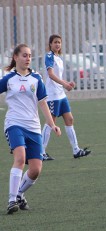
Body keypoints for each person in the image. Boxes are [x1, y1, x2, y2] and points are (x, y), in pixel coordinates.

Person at [1, 44, 62, 214]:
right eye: (24, 55)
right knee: (20, 158)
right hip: (14, 124)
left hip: (33, 127)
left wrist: (52, 124)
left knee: (35, 170)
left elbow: (42, 102)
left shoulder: (36, 78)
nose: (28, 58)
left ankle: (19, 193)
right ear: (15, 57)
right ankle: (11, 200)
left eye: (29, 56)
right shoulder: (8, 79)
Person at [41, 34, 91, 160]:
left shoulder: (59, 58)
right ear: (50, 44)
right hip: (52, 95)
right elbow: (51, 74)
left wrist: (67, 83)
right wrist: (64, 84)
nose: (57, 44)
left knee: (69, 119)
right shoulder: (49, 56)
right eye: (55, 42)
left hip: (61, 95)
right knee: (50, 122)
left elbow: (58, 76)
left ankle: (76, 150)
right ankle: (41, 152)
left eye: (59, 42)